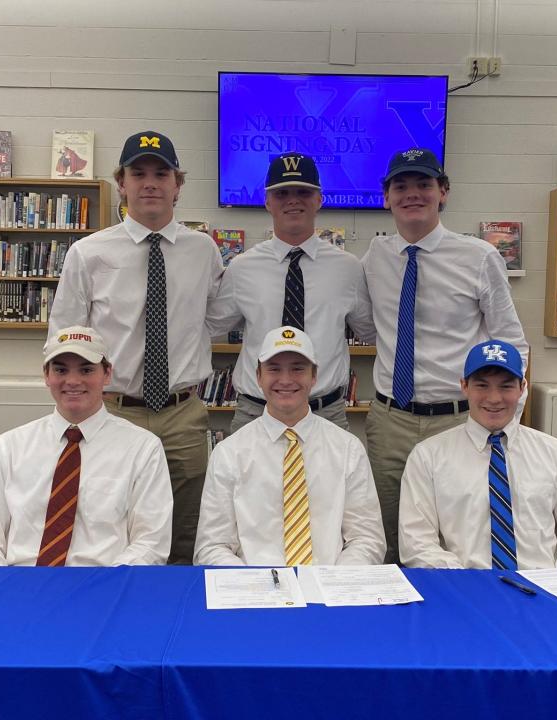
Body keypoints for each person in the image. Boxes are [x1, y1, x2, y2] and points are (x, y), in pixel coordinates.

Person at [48, 131, 223, 564]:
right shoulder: (89, 253)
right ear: (121, 183)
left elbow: (219, 318)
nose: (150, 183)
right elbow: (65, 334)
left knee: (187, 525)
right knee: (111, 516)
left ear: (177, 184)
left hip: (183, 412)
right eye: (138, 173)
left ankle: (179, 613)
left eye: (161, 173)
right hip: (115, 408)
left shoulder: (204, 251)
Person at [362, 147, 529, 564]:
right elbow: (368, 328)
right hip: (391, 421)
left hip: (458, 420)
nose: (412, 194)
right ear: (386, 197)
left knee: (458, 534)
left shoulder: (478, 257)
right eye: (401, 186)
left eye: (424, 184)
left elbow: (511, 341)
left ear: (444, 192)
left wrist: (508, 417)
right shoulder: (373, 259)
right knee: (388, 533)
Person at [0, 326, 173, 566]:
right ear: (46, 375)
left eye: (86, 369)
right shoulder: (8, 447)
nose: (72, 381)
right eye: (60, 369)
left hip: (104, 585)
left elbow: (151, 544)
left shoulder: (142, 448)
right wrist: (7, 587)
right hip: (21, 584)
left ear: (107, 374)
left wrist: (108, 587)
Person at [207, 152, 375, 432]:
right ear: (267, 201)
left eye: (303, 192)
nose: (293, 200)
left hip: (325, 414)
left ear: (319, 199)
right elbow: (212, 324)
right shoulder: (242, 267)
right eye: (282, 192)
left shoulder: (348, 268)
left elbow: (371, 330)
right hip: (255, 414)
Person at [398, 339, 557, 569]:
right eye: (482, 386)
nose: (494, 398)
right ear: (464, 386)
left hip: (541, 590)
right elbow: (417, 544)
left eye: (506, 386)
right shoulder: (428, 457)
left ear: (522, 388)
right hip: (464, 588)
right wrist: (467, 585)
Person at [194, 326, 385, 566]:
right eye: (274, 369)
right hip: (255, 591)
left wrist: (333, 583)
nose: (286, 380)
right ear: (258, 376)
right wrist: (254, 586)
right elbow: (212, 546)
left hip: (330, 589)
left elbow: (367, 539)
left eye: (298, 368)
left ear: (314, 376)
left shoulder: (348, 449)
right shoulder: (229, 453)